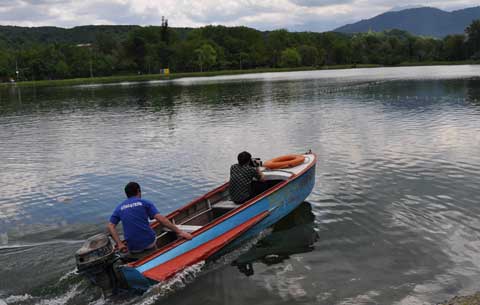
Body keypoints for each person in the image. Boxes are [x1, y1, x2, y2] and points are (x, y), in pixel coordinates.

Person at [107, 182, 192, 253]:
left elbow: (111, 226)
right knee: (151, 236)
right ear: (138, 191)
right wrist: (180, 232)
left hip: (133, 246)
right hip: (148, 243)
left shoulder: (119, 208)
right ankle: (155, 253)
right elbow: (161, 220)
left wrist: (119, 244)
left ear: (127, 194)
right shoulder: (145, 203)